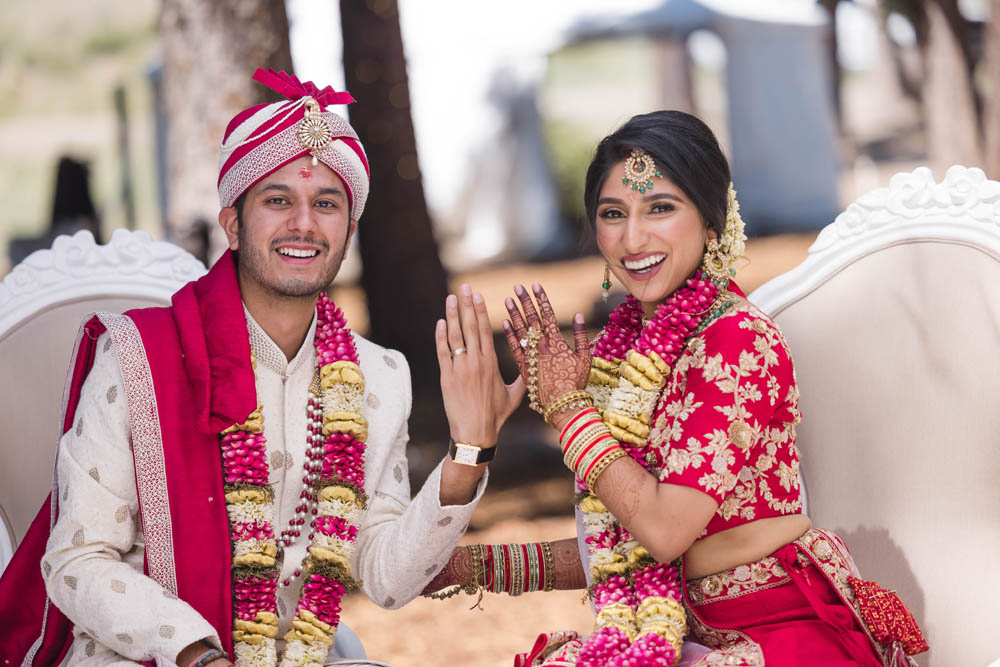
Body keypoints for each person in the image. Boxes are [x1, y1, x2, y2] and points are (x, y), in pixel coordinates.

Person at [0, 69, 522, 667]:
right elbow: (76, 560)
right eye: (278, 200)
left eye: (326, 204)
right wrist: (197, 654)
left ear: (348, 233)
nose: (304, 223)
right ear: (232, 223)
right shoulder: (138, 356)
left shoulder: (380, 377)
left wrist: (468, 453)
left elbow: (385, 577)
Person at [423, 111, 927, 666]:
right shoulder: (631, 353)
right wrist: (469, 567)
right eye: (613, 214)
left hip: (776, 630)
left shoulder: (736, 340)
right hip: (683, 633)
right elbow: (618, 551)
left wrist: (569, 410)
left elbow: (663, 529)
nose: (633, 238)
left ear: (711, 222)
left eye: (660, 208)